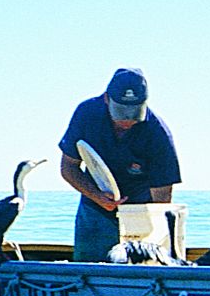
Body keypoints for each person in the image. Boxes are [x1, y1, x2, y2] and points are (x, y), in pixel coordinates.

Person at [56, 67, 180, 261]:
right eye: (121, 112)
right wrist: (97, 197)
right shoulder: (86, 113)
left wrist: (153, 238)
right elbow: (68, 168)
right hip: (95, 207)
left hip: (140, 212)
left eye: (134, 113)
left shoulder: (158, 134)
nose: (127, 120)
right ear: (106, 98)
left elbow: (162, 199)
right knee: (90, 271)